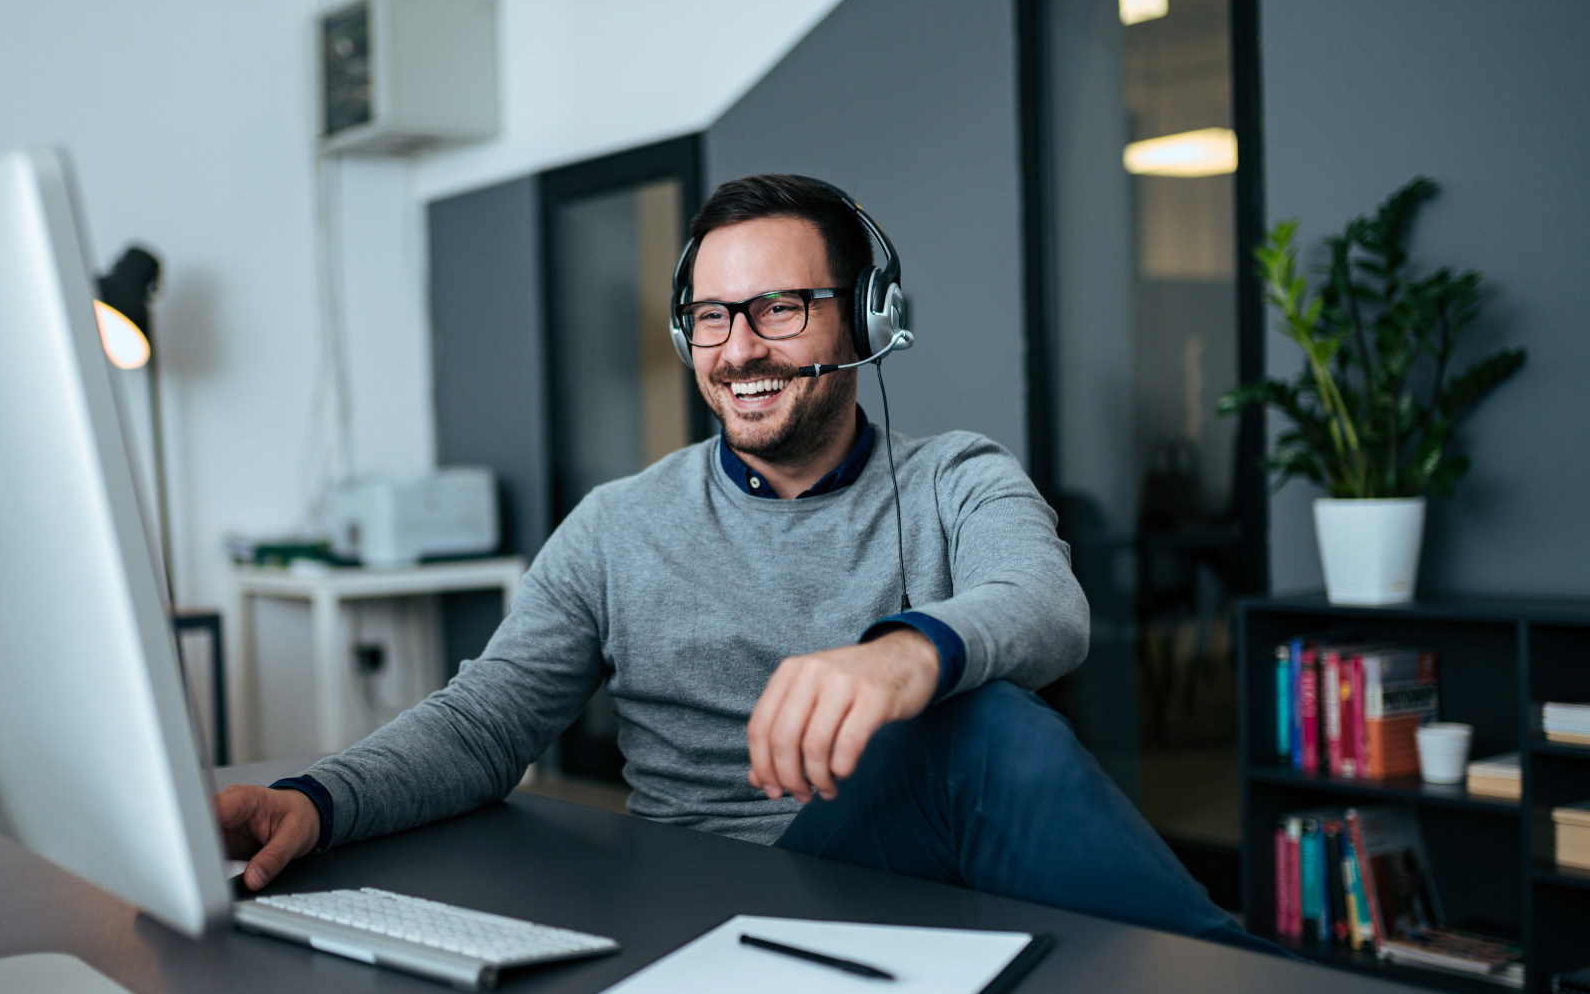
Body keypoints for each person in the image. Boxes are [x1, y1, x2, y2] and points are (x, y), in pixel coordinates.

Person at [217, 174, 1261, 951]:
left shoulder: (957, 478)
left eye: (780, 309)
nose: (739, 349)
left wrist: (906, 656)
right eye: (712, 317)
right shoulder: (618, 524)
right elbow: (487, 720)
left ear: (868, 318)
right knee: (974, 728)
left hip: (909, 882)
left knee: (973, 726)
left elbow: (1046, 602)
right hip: (705, 905)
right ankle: (1255, 987)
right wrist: (317, 799)